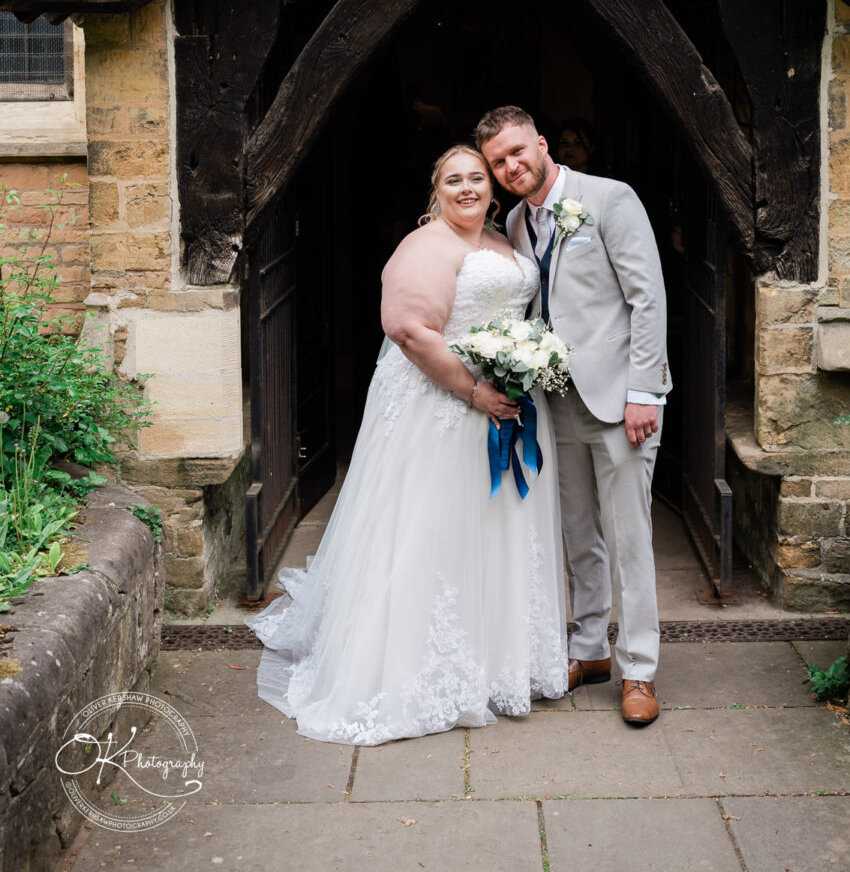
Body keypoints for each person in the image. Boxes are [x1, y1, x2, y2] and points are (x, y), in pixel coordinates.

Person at [244, 144, 568, 745]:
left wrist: (523, 366)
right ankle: (417, 668)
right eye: (454, 180)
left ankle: (499, 660)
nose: (468, 188)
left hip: (504, 403)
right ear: (436, 190)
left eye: (478, 178)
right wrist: (475, 392)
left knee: (494, 529)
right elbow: (408, 331)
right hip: (441, 405)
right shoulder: (424, 245)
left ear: (493, 189)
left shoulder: (504, 241)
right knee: (431, 529)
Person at [477, 105, 671, 727]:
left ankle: (638, 667)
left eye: (516, 153)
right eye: (498, 163)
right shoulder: (513, 220)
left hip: (619, 399)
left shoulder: (610, 200)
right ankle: (589, 649)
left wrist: (645, 390)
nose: (510, 168)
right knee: (576, 528)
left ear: (540, 144)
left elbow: (648, 298)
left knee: (629, 535)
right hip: (553, 400)